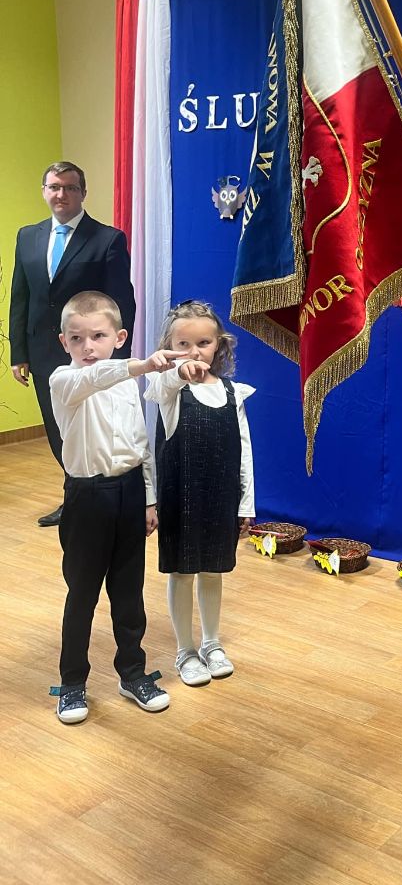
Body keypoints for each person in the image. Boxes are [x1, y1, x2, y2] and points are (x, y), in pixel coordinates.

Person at [49, 291, 178, 724]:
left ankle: (132, 673)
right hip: (87, 498)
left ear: (119, 337)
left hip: (128, 492)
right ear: (63, 342)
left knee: (128, 591)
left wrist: (148, 498)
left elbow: (139, 443)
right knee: (82, 593)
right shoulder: (64, 381)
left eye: (98, 336)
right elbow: (96, 376)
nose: (87, 346)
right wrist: (140, 365)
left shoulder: (126, 383)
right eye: (77, 338)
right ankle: (72, 682)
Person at [9, 162, 136, 526]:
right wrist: (19, 352)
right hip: (42, 351)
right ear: (44, 192)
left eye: (69, 187)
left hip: (89, 354)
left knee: (89, 427)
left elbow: (121, 302)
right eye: (54, 187)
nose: (61, 194)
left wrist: (117, 360)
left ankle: (96, 496)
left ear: (83, 193)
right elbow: (21, 296)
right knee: (57, 427)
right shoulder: (27, 236)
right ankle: (74, 495)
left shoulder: (107, 239)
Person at [144, 301, 255, 687]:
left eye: (203, 343)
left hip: (220, 500)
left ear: (218, 345)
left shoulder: (233, 393)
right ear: (169, 347)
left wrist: (246, 503)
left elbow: (244, 453)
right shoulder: (169, 392)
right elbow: (159, 386)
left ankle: (211, 642)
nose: (194, 352)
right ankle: (185, 651)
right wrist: (176, 371)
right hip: (181, 501)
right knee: (182, 573)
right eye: (183, 344)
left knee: (213, 571)